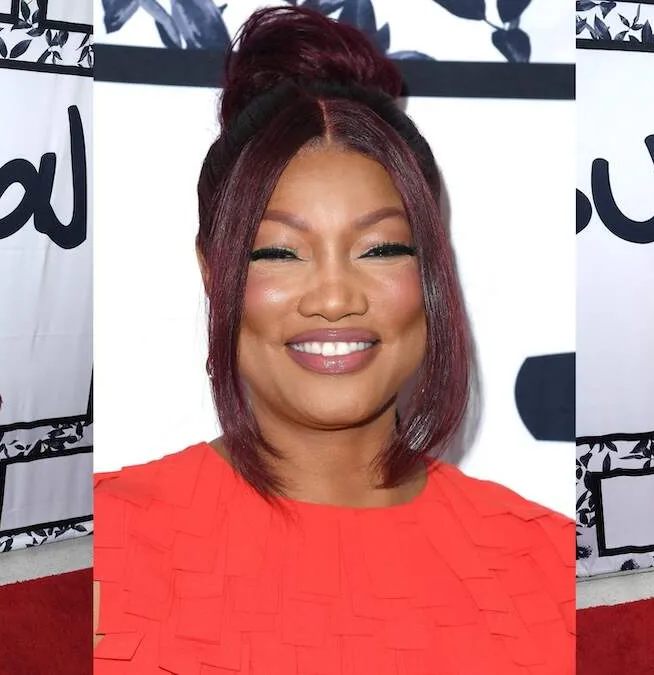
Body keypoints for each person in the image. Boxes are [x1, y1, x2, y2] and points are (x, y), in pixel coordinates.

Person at [92, 6, 573, 673]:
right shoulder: (107, 542)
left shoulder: (547, 560)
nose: (335, 296)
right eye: (281, 253)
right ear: (214, 270)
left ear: (431, 266)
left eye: (379, 248)